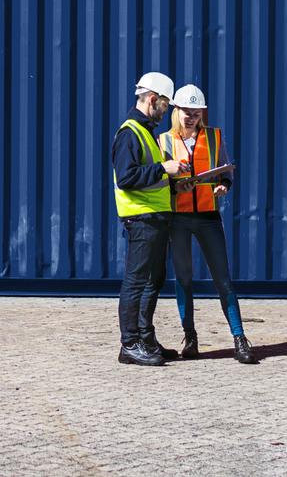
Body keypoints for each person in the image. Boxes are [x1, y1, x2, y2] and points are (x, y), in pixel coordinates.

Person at [160, 83, 259, 365]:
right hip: (178, 218)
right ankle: (190, 337)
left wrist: (224, 186)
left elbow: (226, 169)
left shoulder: (214, 138)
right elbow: (160, 182)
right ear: (175, 111)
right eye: (185, 112)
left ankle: (239, 338)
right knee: (183, 279)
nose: (191, 117)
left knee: (223, 280)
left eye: (196, 112)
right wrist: (173, 187)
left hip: (208, 216)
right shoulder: (163, 142)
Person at [111, 71, 189, 366]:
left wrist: (173, 182)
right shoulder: (130, 132)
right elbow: (127, 178)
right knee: (136, 281)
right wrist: (163, 169)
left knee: (152, 281)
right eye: (165, 106)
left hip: (155, 218)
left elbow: (149, 177)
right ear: (153, 99)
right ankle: (129, 344)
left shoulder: (145, 132)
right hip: (141, 219)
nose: (166, 112)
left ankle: (145, 338)